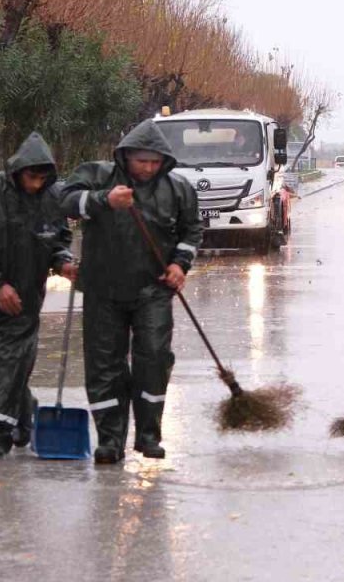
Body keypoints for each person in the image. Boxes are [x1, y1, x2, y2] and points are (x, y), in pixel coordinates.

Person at [61, 118, 203, 464]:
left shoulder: (178, 189)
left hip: (153, 290)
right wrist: (103, 200)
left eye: (155, 162)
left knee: (153, 358)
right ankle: (110, 439)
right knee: (104, 365)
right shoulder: (97, 175)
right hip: (102, 290)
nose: (148, 168)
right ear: (126, 156)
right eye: (142, 161)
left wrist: (179, 264)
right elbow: (64, 201)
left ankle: (149, 435)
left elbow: (191, 231)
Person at [0, 132, 76, 461]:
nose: (36, 184)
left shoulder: (53, 198)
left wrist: (64, 262)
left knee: (8, 367)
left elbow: (58, 240)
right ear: (17, 171)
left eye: (42, 178)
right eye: (31, 177)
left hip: (22, 304)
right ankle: (25, 409)